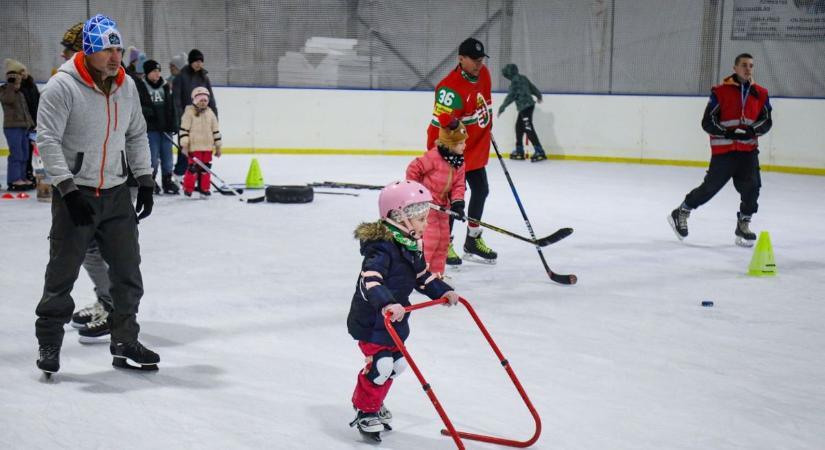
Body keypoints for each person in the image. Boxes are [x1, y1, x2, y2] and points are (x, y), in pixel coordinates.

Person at [35, 14, 160, 375]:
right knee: (62, 273)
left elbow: (136, 134)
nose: (115, 56)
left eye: (118, 48)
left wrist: (145, 179)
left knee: (127, 274)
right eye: (107, 48)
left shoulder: (127, 86)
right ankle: (49, 341)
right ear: (89, 50)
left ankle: (124, 341)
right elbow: (48, 140)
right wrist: (67, 188)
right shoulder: (62, 87)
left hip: (116, 192)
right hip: (78, 194)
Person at [347, 180, 460, 441]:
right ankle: (365, 409)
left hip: (395, 319)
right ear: (398, 217)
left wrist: (442, 290)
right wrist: (387, 302)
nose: (425, 223)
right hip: (372, 319)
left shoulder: (409, 245)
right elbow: (371, 280)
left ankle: (372, 402)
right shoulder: (381, 247)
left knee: (396, 366)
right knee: (381, 365)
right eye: (420, 219)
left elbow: (422, 277)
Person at [668, 53, 772, 247]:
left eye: (751, 65)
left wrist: (751, 131)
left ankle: (744, 223)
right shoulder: (720, 92)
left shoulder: (761, 93)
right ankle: (681, 211)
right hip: (724, 152)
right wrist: (728, 133)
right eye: (744, 65)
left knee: (752, 188)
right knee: (710, 189)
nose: (748, 68)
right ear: (735, 68)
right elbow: (708, 122)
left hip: (748, 151)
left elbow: (767, 121)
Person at [426, 37, 497, 265]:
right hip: (453, 151)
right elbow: (440, 127)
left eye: (481, 59)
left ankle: (473, 240)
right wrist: (439, 157)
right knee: (452, 201)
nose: (478, 64)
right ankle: (443, 243)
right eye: (474, 60)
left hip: (475, 149)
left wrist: (485, 127)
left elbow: (482, 106)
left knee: (481, 190)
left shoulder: (484, 74)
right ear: (460, 59)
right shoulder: (449, 89)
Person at [406, 113, 467, 277]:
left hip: (443, 207)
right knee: (431, 240)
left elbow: (459, 184)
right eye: (460, 143)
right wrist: (417, 194)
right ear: (450, 143)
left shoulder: (459, 161)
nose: (464, 146)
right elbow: (413, 169)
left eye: (464, 142)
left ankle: (437, 275)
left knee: (443, 241)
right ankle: (421, 274)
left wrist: (458, 203)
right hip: (427, 207)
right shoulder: (433, 156)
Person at [136, 59, 180, 195]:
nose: (157, 74)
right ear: (147, 73)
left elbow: (172, 107)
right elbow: (137, 105)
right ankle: (151, 181)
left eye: (159, 71)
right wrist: (148, 112)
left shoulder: (165, 86)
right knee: (152, 158)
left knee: (168, 158)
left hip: (165, 128)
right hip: (151, 129)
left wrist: (174, 124)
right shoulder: (141, 87)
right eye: (154, 71)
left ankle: (167, 181)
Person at [172, 49, 217, 178]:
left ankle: (198, 178)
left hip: (203, 121)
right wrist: (180, 120)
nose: (199, 64)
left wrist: (215, 118)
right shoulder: (180, 77)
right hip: (186, 120)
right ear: (190, 62)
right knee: (185, 149)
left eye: (201, 61)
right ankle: (179, 175)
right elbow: (177, 100)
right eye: (196, 61)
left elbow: (211, 99)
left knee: (201, 150)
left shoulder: (204, 77)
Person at [498, 63, 546, 162]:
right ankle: (519, 150)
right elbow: (532, 88)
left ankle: (539, 151)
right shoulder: (523, 78)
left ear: (509, 73)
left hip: (525, 107)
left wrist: (502, 107)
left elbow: (511, 96)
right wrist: (538, 95)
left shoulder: (514, 82)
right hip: (527, 106)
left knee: (528, 128)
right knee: (519, 127)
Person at [179, 86, 221, 197]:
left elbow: (216, 131)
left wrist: (218, 147)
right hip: (194, 147)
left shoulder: (210, 113)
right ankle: (188, 188)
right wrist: (185, 145)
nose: (203, 103)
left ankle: (204, 188)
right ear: (195, 100)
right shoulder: (189, 113)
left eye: (205, 100)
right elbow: (184, 130)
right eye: (200, 100)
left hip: (207, 147)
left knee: (205, 169)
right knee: (193, 169)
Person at [2, 58, 35, 191]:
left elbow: (26, 111)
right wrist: (10, 85)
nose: (18, 83)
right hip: (12, 127)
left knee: (24, 154)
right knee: (16, 154)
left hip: (24, 127)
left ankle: (21, 177)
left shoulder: (21, 93)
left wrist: (31, 124)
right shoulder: (5, 90)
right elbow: (8, 100)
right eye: (16, 80)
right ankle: (14, 179)